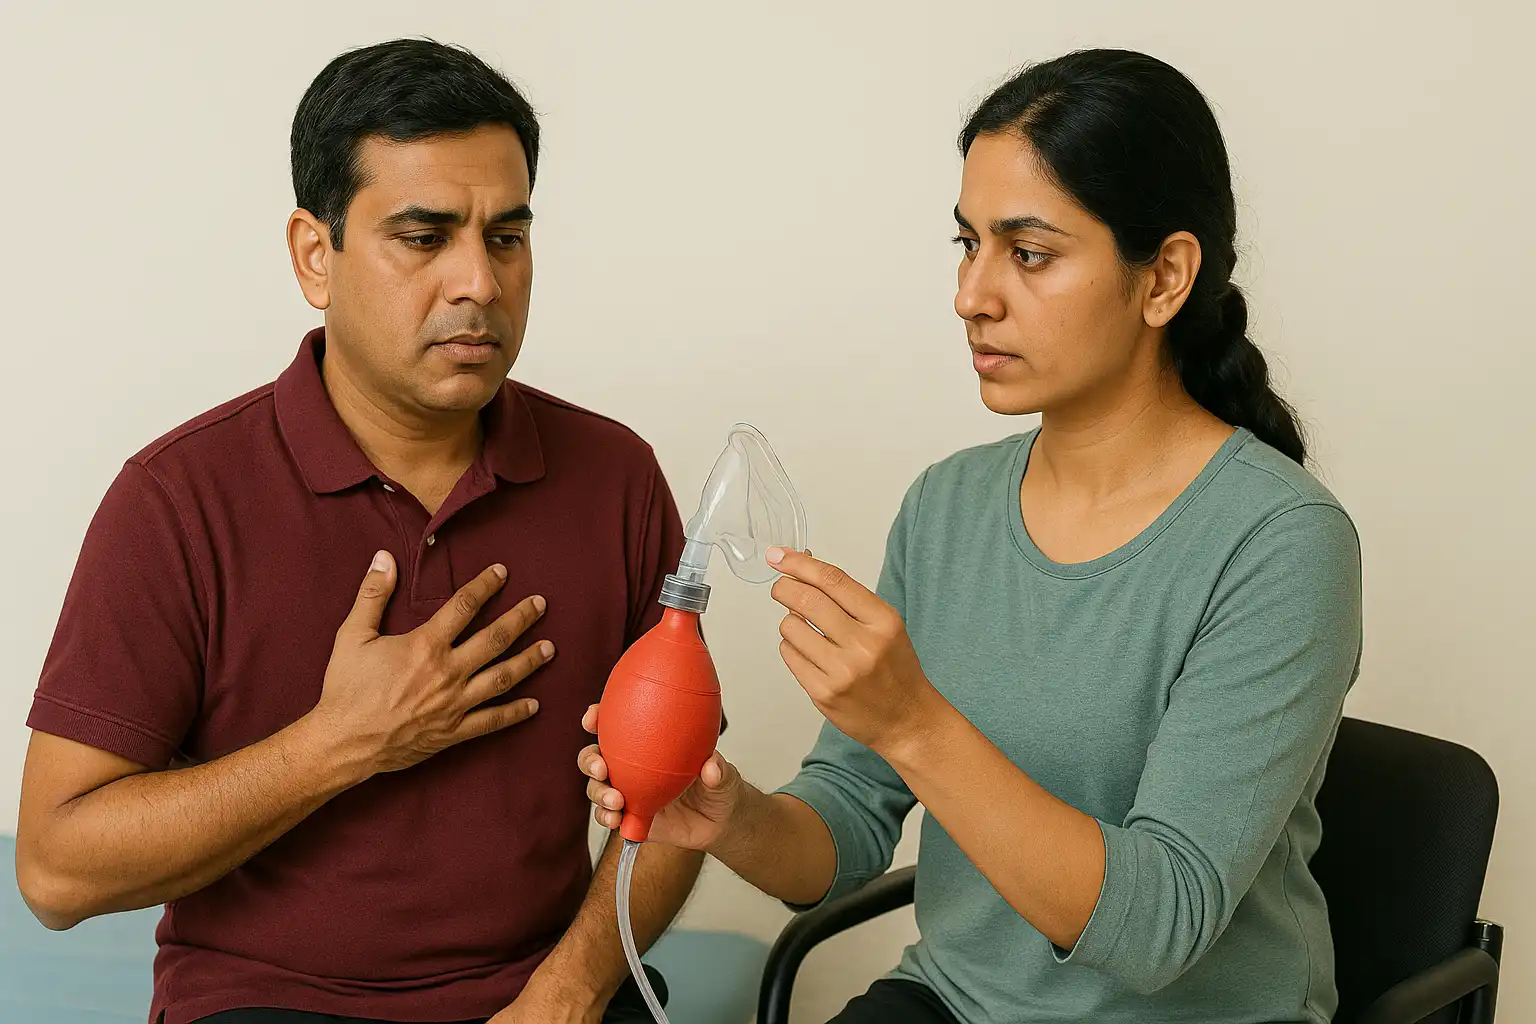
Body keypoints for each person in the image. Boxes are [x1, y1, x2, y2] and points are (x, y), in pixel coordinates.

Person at [580, 48, 1364, 1023]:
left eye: (1028, 253)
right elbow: (843, 833)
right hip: (954, 1005)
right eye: (968, 243)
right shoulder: (948, 506)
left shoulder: (1281, 544)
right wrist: (728, 814)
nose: (972, 296)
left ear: (1164, 276)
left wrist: (912, 721)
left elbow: (1159, 929)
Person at [17, 39, 703, 1024]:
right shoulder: (176, 500)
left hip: (546, 997)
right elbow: (54, 871)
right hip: (268, 1004)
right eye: (424, 237)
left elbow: (677, 799)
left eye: (507, 237)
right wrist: (340, 742)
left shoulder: (617, 478)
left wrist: (568, 990)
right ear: (315, 255)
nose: (479, 282)